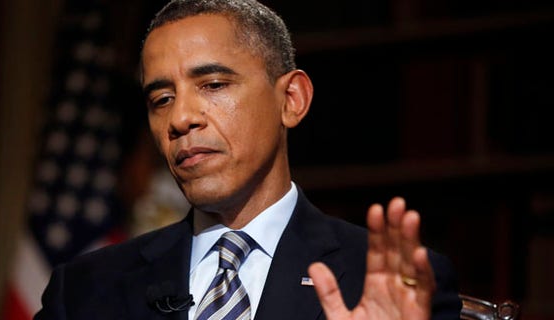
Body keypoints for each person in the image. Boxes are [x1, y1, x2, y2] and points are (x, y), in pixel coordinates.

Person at [34, 0, 462, 319]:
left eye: (214, 84)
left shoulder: (389, 283)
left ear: (292, 100)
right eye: (161, 99)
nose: (180, 119)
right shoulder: (84, 291)